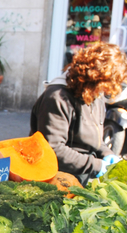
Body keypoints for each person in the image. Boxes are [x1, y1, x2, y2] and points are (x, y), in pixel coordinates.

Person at [30, 42, 127, 183]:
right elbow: (53, 149)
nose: (109, 90)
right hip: (55, 177)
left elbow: (94, 139)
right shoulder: (57, 97)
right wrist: (96, 165)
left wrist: (106, 153)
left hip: (81, 175)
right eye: (111, 84)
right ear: (97, 78)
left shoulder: (95, 94)